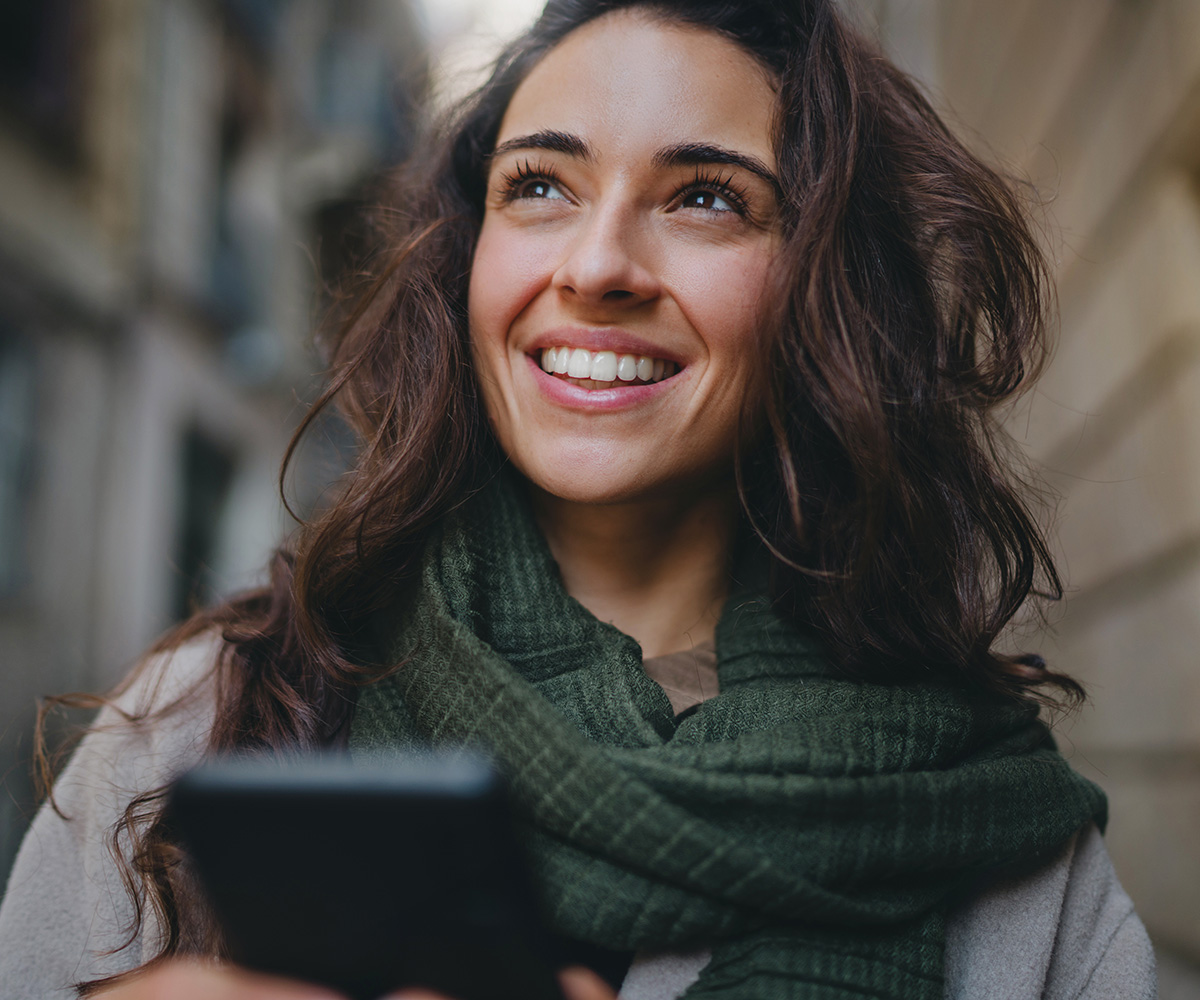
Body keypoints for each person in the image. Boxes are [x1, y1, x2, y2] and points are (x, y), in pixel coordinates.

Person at [0, 1, 1158, 998]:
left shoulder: (1003, 841)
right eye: (540, 185)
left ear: (830, 293)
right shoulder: (209, 713)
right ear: (468, 254)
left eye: (707, 198)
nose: (598, 265)